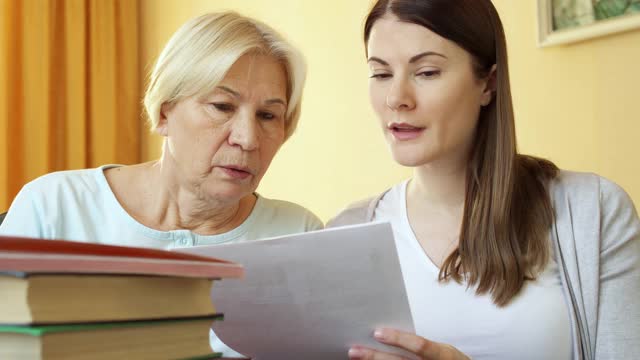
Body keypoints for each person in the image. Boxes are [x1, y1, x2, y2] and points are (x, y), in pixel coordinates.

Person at [329, 1, 640, 359]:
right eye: (381, 74)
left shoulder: (594, 213)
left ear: (488, 83)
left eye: (427, 72)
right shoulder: (345, 233)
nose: (397, 98)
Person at [0, 11, 322, 357]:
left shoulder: (301, 235)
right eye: (222, 106)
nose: (247, 138)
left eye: (268, 116)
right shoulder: (53, 207)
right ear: (164, 112)